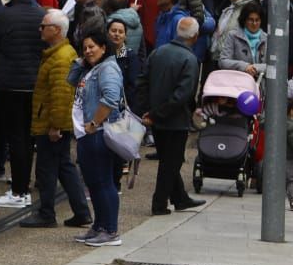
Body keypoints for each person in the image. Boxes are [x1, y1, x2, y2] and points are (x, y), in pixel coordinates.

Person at [20, 11, 91, 231]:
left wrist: (56, 126)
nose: (40, 29)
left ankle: (46, 213)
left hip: (51, 123)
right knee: (64, 167)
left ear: (57, 30)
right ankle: (81, 211)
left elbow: (61, 96)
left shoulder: (61, 58)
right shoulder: (59, 54)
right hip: (52, 121)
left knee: (47, 169)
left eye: (44, 26)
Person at [0, 0, 47, 210]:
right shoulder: (41, 14)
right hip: (33, 83)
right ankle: (24, 186)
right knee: (27, 138)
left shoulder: (4, 15)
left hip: (10, 84)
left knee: (16, 138)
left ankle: (19, 190)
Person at [135, 20, 206, 217]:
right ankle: (159, 203)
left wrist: (148, 110)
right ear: (195, 36)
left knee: (168, 159)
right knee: (170, 163)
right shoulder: (190, 60)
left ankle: (180, 197)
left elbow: (142, 81)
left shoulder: (158, 52)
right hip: (174, 120)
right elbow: (182, 95)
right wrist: (156, 113)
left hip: (157, 119)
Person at [73, 33, 128, 246]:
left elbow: (111, 98)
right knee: (94, 183)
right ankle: (99, 226)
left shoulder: (108, 68)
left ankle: (111, 230)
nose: (87, 51)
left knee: (104, 182)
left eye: (92, 47)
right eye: (84, 48)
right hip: (86, 133)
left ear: (104, 48)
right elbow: (71, 79)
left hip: (100, 132)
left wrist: (94, 123)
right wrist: (81, 63)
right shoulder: (91, 69)